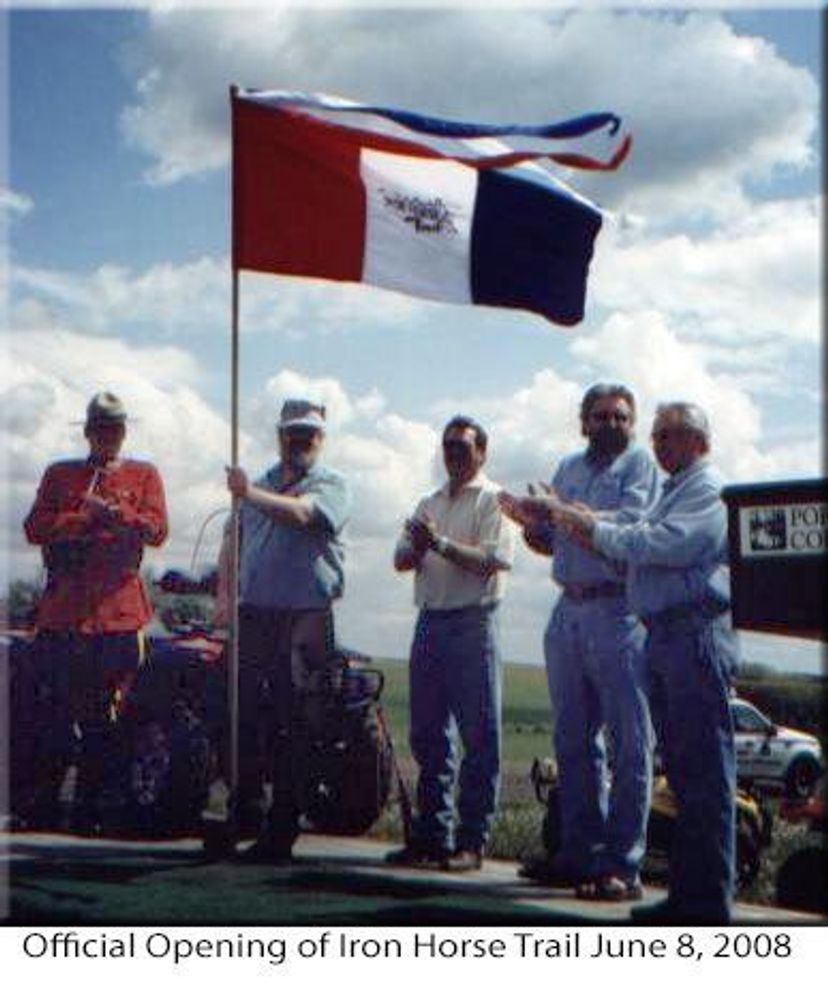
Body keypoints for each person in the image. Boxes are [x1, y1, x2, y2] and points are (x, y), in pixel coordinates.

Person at [535, 401, 739, 924]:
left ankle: (707, 900)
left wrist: (588, 525)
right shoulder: (675, 489)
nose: (658, 444)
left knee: (703, 775)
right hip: (666, 634)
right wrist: (567, 525)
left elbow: (662, 544)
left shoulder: (706, 489)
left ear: (699, 441)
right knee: (688, 776)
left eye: (668, 435)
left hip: (693, 631)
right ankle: (690, 895)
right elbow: (635, 549)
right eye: (657, 435)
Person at [499, 383, 660, 900]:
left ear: (632, 424)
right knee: (572, 740)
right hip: (567, 609)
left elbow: (631, 526)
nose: (611, 423)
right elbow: (553, 540)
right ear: (583, 422)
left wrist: (558, 512)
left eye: (620, 416)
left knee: (631, 744)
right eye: (600, 415)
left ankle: (622, 866)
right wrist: (532, 525)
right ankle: (578, 853)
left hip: (618, 610)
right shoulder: (569, 467)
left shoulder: (640, 468)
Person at [23, 391, 169, 830]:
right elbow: (35, 528)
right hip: (64, 612)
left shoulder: (144, 475)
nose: (109, 437)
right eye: (101, 429)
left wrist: (117, 513)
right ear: (87, 432)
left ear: (125, 433)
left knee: (106, 715)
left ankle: (95, 809)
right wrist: (82, 519)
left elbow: (157, 529)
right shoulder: (60, 474)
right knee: (52, 713)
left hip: (117, 614)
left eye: (116, 430)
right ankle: (43, 805)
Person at [218, 397, 351, 863]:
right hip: (256, 613)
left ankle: (282, 827)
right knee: (248, 717)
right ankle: (246, 812)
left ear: (321, 438)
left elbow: (303, 515)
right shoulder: (258, 484)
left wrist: (249, 493)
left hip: (305, 616)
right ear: (280, 436)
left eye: (309, 434)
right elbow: (233, 540)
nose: (300, 441)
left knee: (297, 723)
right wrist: (224, 598)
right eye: (293, 433)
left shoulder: (332, 484)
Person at [386, 415, 514, 872]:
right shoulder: (429, 500)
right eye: (448, 446)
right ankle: (432, 835)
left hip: (473, 621)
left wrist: (438, 543)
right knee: (428, 735)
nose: (454, 454)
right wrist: (420, 546)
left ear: (482, 452)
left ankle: (471, 840)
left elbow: (492, 561)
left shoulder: (492, 501)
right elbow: (402, 559)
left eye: (463, 447)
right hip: (431, 621)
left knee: (479, 735)